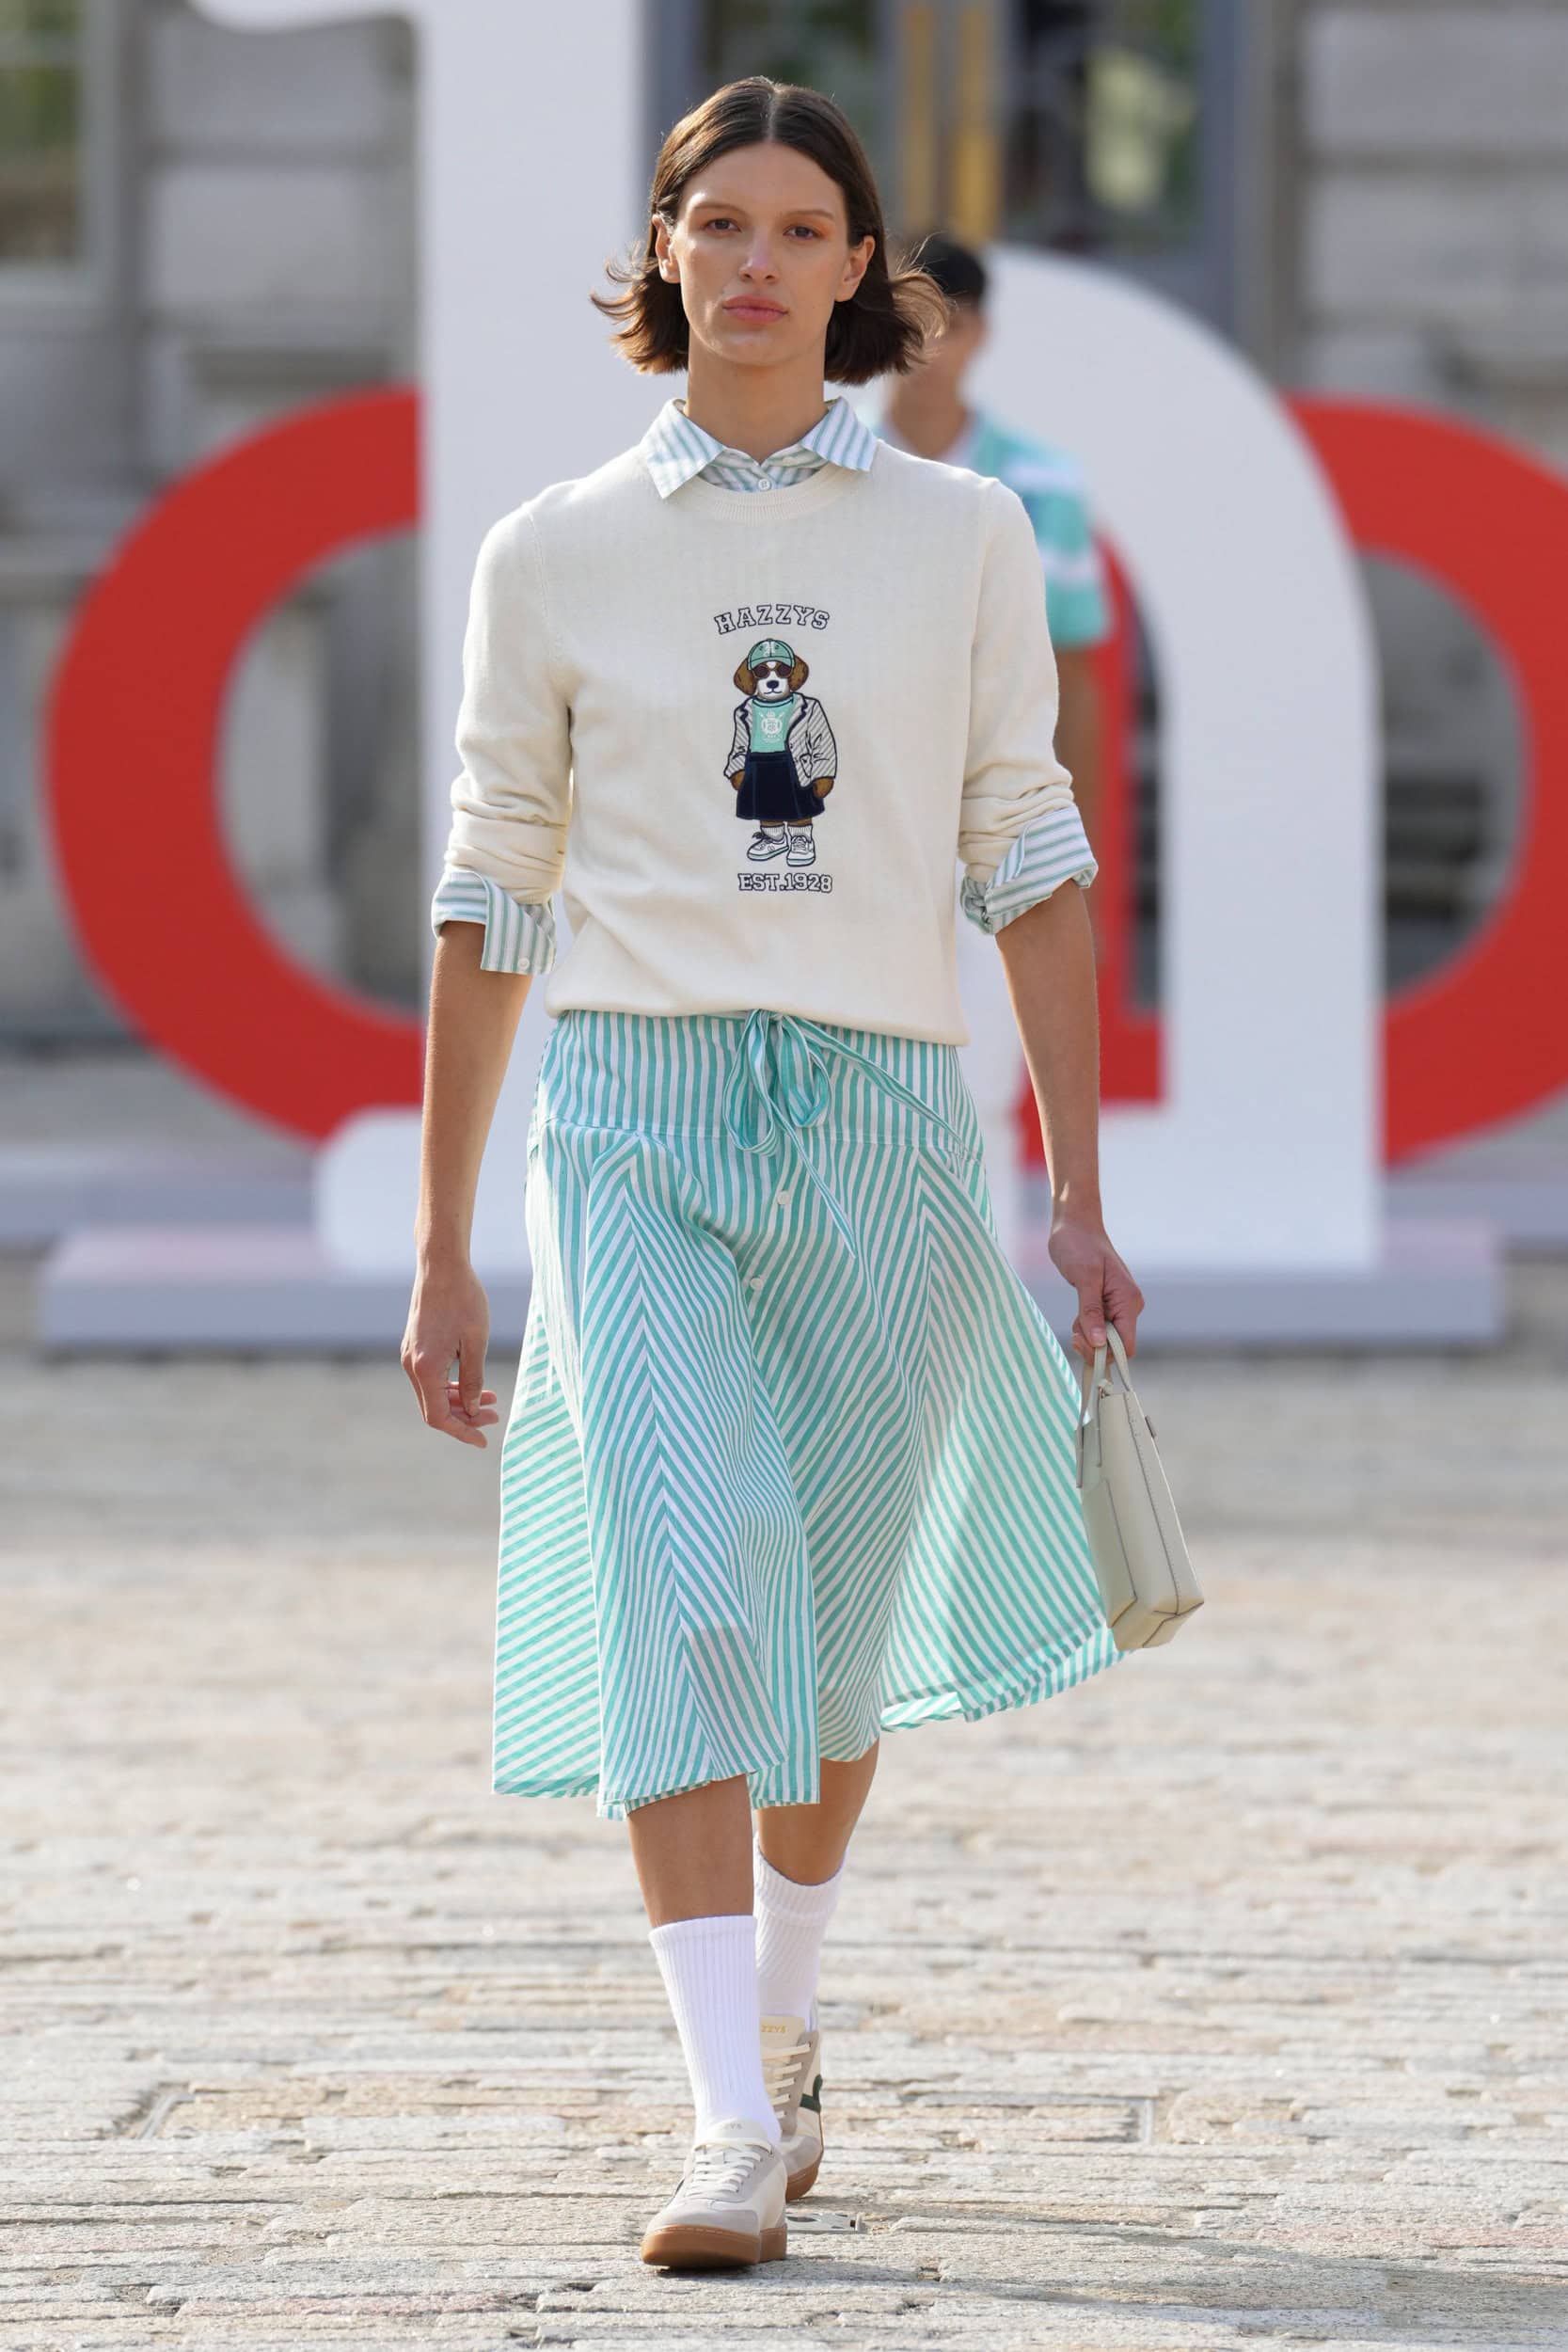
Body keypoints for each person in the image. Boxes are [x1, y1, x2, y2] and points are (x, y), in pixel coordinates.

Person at [402, 75, 1144, 2275]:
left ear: (858, 270)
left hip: (886, 1120)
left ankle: (788, 2029)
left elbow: (1027, 850)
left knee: (824, 1634)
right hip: (629, 1116)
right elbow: (489, 888)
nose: (751, 260)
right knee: (688, 1585)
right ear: (662, 252)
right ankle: (722, 2111)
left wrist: (1075, 1189)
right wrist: (443, 1243)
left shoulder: (962, 534)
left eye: (797, 227)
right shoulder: (550, 549)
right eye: (714, 221)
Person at [863, 231, 1115, 1264]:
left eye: (948, 321)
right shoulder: (823, 463)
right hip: (857, 824)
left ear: (978, 334)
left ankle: (978, 1311)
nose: (927, 343)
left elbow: (1075, 672)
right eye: (909, 318)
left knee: (989, 1081)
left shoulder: (1041, 481)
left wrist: (1075, 849)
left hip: (989, 824)